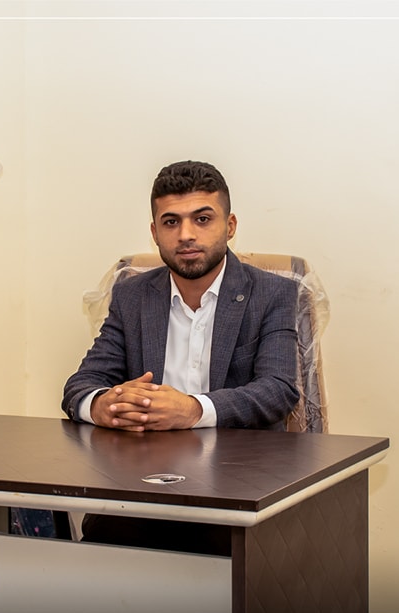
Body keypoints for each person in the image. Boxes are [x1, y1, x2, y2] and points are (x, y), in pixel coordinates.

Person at [60, 160, 301, 554]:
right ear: (155, 232)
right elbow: (81, 386)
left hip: (237, 489)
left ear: (230, 225)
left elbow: (278, 390)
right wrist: (103, 405)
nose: (186, 234)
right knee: (95, 559)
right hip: (143, 485)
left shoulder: (272, 293)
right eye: (171, 222)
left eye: (202, 219)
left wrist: (192, 410)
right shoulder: (132, 295)